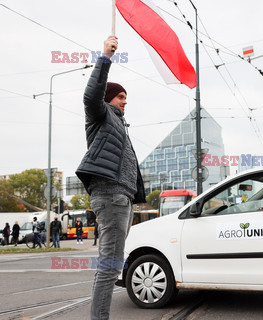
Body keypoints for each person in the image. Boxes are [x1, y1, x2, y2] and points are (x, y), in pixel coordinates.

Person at [75, 35, 146, 320]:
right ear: (109, 99)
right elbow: (91, 95)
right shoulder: (101, 114)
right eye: (121, 97)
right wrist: (105, 57)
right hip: (111, 195)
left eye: (126, 99)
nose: (125, 102)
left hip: (123, 198)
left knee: (112, 264)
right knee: (109, 265)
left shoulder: (119, 125)